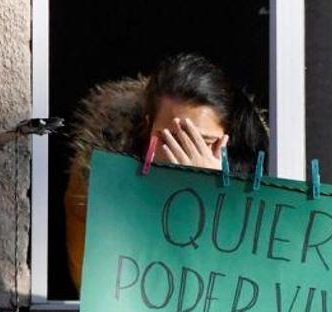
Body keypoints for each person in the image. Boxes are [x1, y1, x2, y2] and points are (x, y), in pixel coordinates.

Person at [64, 53, 269, 291]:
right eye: (169, 139)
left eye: (204, 142)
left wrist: (214, 201)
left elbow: (248, 288)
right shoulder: (95, 178)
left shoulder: (258, 176)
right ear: (147, 126)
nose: (184, 156)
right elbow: (94, 283)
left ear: (228, 140)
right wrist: (154, 196)